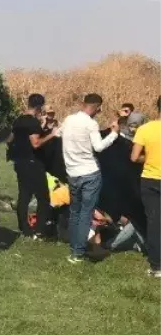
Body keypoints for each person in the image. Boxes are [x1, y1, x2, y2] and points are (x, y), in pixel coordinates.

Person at [60, 94, 119, 263]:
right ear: (97, 107)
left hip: (72, 172)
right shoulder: (91, 123)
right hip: (89, 172)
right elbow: (99, 147)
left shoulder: (69, 119)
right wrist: (114, 133)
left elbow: (59, 134)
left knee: (75, 212)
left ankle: (74, 247)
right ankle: (78, 252)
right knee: (86, 213)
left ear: (83, 104)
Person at [8, 94, 57, 238]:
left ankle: (24, 228)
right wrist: (52, 134)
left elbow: (10, 140)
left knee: (24, 195)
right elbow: (35, 143)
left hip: (20, 162)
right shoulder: (32, 122)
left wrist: (41, 127)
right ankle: (39, 229)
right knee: (43, 197)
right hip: (33, 163)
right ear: (40, 107)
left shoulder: (18, 120)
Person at [130, 95, 161, 277]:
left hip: (150, 180)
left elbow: (134, 157)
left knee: (154, 222)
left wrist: (147, 157)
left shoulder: (145, 129)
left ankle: (157, 266)